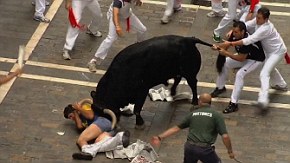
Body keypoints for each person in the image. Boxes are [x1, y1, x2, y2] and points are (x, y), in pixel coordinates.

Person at [224, 7, 288, 110]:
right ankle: (281, 84)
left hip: (277, 52)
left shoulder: (265, 29)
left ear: (266, 19)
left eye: (259, 18)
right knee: (270, 68)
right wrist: (233, 30)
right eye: (257, 17)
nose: (257, 20)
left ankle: (263, 101)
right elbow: (247, 25)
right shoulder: (258, 21)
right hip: (268, 51)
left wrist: (230, 43)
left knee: (264, 73)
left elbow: (249, 40)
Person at [151, 93, 235, 163]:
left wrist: (159, 137)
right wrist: (230, 151)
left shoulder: (192, 114)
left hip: (190, 147)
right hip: (205, 149)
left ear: (199, 102)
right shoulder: (216, 115)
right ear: (210, 102)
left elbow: (176, 128)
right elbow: (225, 136)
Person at [211, 20, 265, 114]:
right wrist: (217, 46)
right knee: (225, 63)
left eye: (236, 32)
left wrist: (226, 53)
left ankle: (234, 103)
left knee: (240, 74)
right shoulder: (235, 34)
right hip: (246, 56)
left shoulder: (247, 41)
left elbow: (241, 58)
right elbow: (227, 44)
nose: (234, 34)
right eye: (233, 31)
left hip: (255, 60)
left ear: (243, 32)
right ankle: (220, 87)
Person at [87, 0, 147, 72]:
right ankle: (94, 60)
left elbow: (137, 4)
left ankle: (138, 48)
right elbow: (115, 14)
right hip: (115, 17)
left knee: (142, 30)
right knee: (111, 38)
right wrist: (118, 27)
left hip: (127, 15)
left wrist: (138, 3)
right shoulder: (118, 2)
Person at [63, 100, 130, 160]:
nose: (72, 119)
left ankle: (87, 151)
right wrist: (75, 114)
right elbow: (80, 127)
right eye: (70, 118)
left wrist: (78, 109)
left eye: (71, 116)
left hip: (102, 122)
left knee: (81, 140)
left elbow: (91, 116)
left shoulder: (84, 107)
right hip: (108, 129)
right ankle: (120, 138)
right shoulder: (79, 119)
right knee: (99, 143)